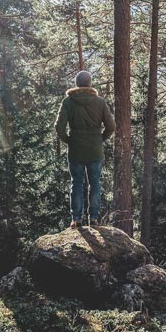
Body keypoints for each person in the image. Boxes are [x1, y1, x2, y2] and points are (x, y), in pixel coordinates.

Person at [54, 70, 115, 228]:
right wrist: (100, 139)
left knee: (76, 183)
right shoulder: (100, 102)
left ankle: (76, 219)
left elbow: (58, 127)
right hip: (95, 149)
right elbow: (111, 126)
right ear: (89, 83)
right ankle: (94, 218)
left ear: (76, 83)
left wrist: (68, 140)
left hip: (76, 149)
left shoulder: (68, 102)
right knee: (95, 183)